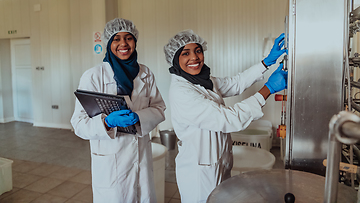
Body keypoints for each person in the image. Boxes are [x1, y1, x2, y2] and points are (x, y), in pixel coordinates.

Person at [163, 29, 287, 203]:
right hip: (199, 172)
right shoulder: (182, 91)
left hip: (218, 162)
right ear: (175, 60)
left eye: (198, 50)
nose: (195, 57)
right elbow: (228, 119)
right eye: (185, 53)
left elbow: (234, 84)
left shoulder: (203, 80)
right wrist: (267, 89)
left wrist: (266, 62)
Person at [71, 18, 166, 203]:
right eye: (116, 39)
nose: (123, 43)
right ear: (109, 43)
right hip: (111, 164)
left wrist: (139, 117)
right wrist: (107, 122)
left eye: (128, 38)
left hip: (141, 159)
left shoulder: (145, 73)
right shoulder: (93, 76)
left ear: (135, 41)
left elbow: (159, 108)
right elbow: (78, 123)